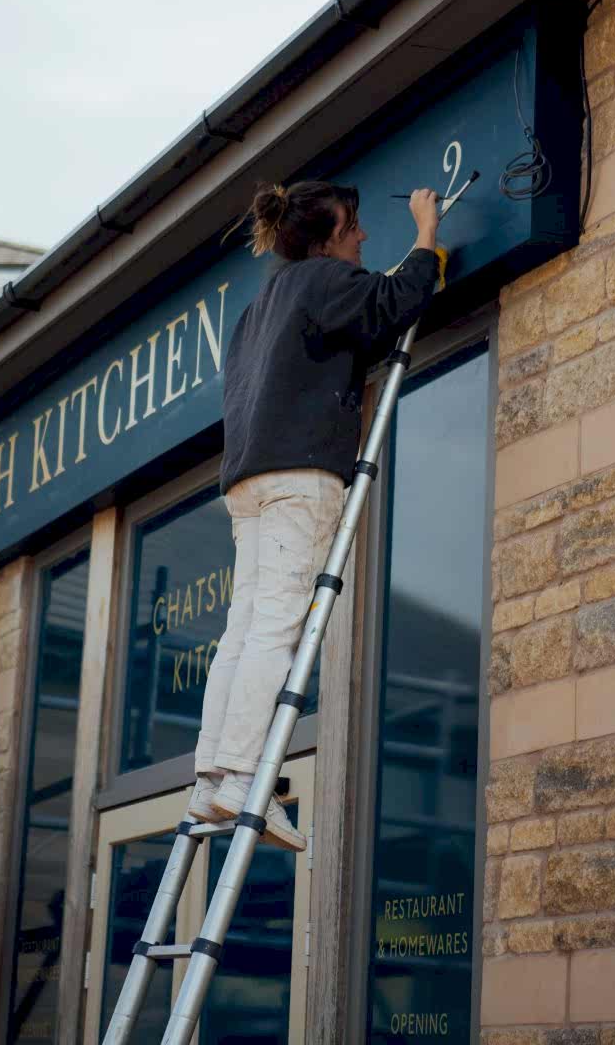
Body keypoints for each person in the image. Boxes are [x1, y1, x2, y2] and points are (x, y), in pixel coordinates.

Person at [188, 179, 441, 850]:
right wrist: (425, 236)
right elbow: (394, 301)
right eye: (353, 226)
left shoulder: (260, 306)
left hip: (248, 480)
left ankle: (211, 778)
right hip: (301, 477)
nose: (361, 237)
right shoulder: (324, 280)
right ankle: (244, 777)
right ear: (329, 234)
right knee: (275, 629)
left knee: (244, 629)